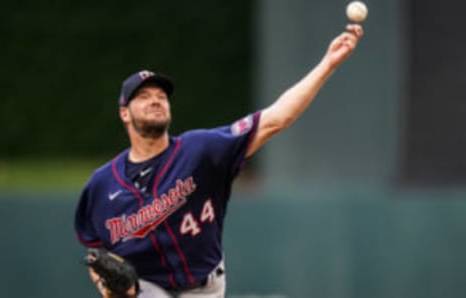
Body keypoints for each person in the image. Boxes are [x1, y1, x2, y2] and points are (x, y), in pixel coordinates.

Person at [74, 24, 364, 298]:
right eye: (144, 96)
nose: (156, 100)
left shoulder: (201, 150)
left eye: (162, 96)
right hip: (147, 289)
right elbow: (95, 250)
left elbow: (276, 119)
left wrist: (328, 64)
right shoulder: (102, 184)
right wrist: (107, 288)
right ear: (125, 113)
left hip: (206, 286)